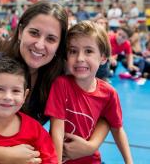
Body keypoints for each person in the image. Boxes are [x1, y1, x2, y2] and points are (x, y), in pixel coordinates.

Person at [0, 1, 109, 164]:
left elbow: (107, 107)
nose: (40, 45)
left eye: (51, 39)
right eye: (34, 33)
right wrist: (5, 155)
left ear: (59, 46)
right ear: (20, 32)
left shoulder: (58, 79)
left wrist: (92, 145)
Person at [45, 21, 133, 164]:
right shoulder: (61, 85)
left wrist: (129, 162)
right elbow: (57, 130)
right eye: (73, 51)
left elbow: (117, 129)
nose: (80, 58)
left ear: (103, 57)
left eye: (89, 51)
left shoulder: (109, 93)